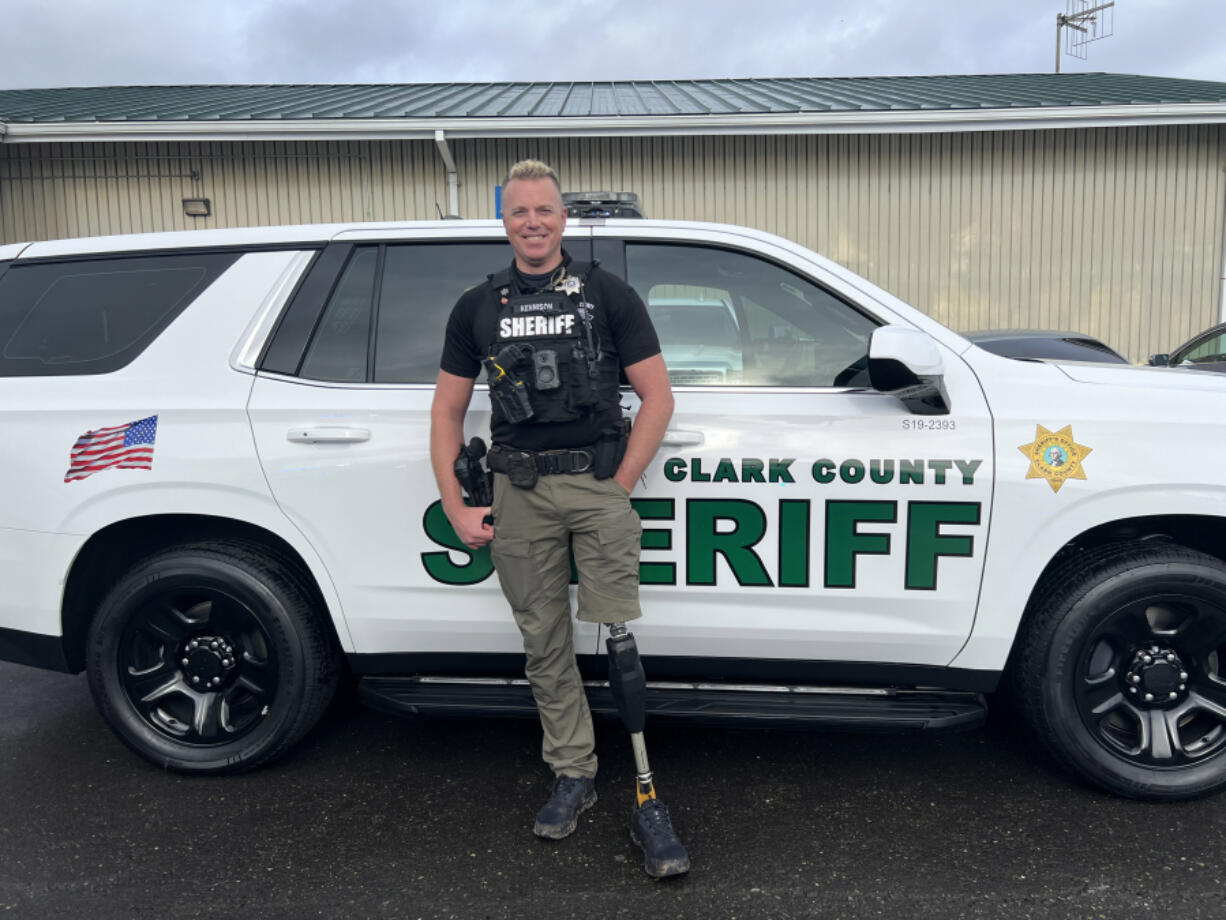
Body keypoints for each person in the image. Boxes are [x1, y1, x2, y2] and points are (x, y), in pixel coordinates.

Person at [429, 159, 688, 877]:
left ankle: (645, 792)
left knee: (619, 635)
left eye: (545, 210)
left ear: (563, 218)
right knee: (543, 639)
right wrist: (457, 504)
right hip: (517, 490)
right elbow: (448, 410)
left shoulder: (607, 294)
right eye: (519, 212)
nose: (533, 223)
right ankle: (573, 772)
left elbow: (657, 396)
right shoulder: (477, 307)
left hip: (595, 481)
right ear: (504, 220)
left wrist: (622, 482)